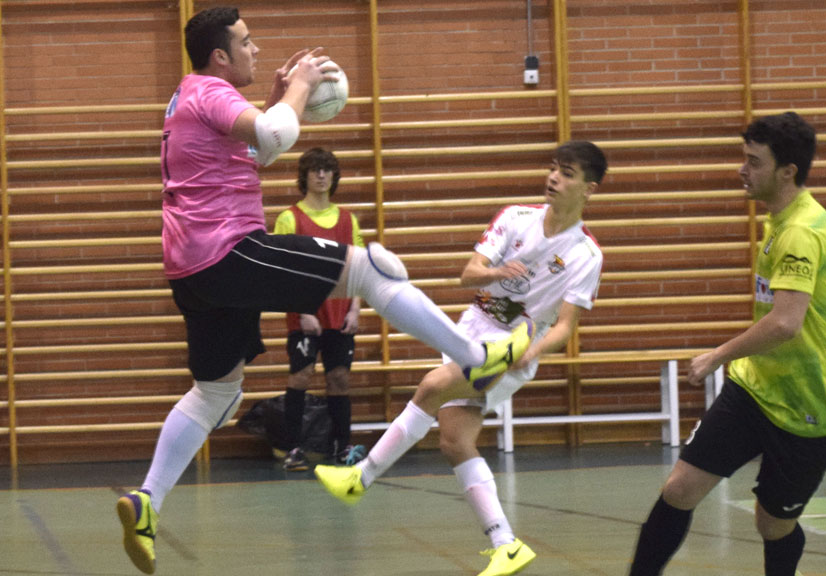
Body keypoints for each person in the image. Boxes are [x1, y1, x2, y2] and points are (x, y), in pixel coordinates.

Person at [115, 7, 530, 575]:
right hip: (228, 250)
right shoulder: (206, 92)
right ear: (219, 56)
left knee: (217, 392)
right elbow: (275, 135)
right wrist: (302, 88)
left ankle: (146, 503)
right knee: (374, 269)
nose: (255, 50)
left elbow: (259, 149)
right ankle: (476, 358)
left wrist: (282, 100)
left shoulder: (194, 98)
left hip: (193, 269)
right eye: (246, 41)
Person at [315, 140, 608, 576]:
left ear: (590, 189)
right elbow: (467, 274)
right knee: (454, 440)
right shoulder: (516, 218)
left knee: (433, 386)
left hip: (512, 345)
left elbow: (565, 326)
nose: (553, 178)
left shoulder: (586, 255)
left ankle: (361, 477)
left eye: (567, 173)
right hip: (471, 327)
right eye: (553, 168)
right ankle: (506, 545)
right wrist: (497, 273)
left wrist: (530, 352)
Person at [628, 112, 826, 576]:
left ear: (787, 171)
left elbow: (786, 323)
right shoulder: (780, 219)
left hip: (811, 405)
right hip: (756, 389)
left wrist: (718, 355)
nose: (741, 170)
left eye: (753, 162)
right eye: (743, 158)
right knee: (680, 489)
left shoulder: (800, 231)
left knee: (772, 525)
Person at [274, 147, 366, 471]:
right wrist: (302, 311)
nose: (321, 175)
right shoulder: (289, 218)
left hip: (340, 313)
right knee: (301, 376)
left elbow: (358, 269)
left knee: (339, 379)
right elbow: (281, 272)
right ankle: (294, 449)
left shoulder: (347, 219)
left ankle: (342, 447)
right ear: (305, 176)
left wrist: (355, 310)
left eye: (327, 170)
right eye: (315, 169)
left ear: (334, 176)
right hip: (305, 315)